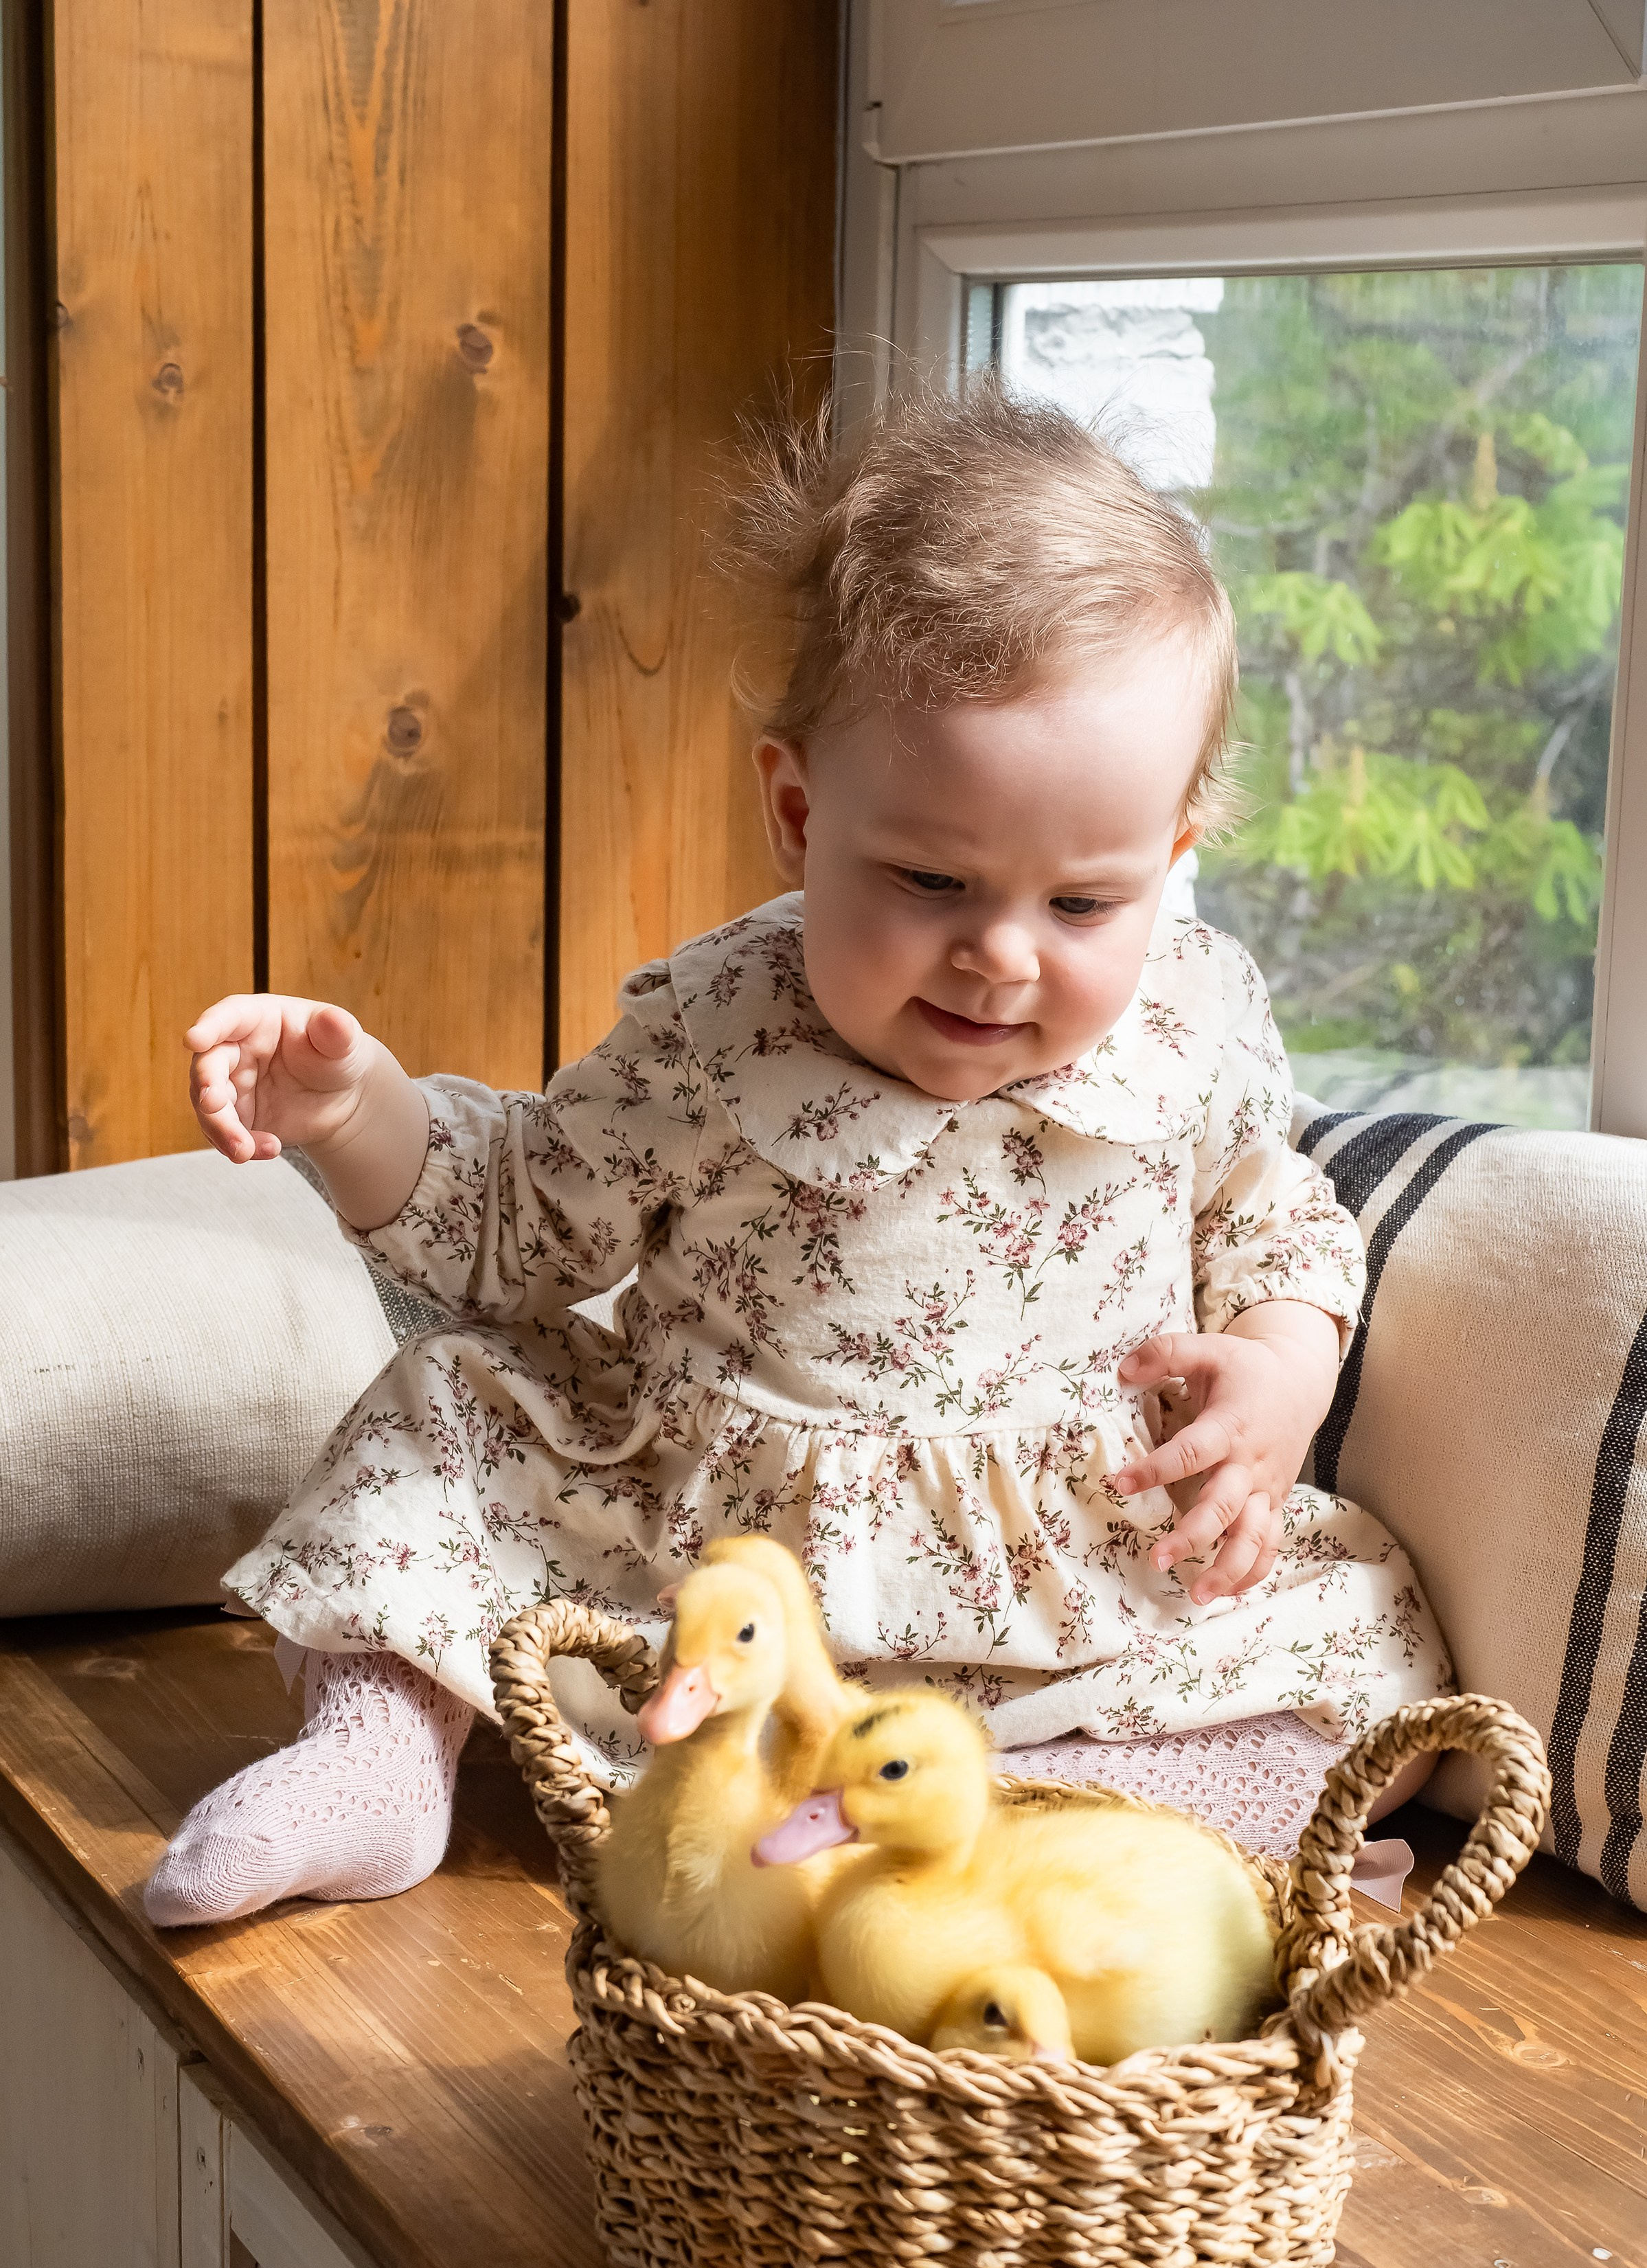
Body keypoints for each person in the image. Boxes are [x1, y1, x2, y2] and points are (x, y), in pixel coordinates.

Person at [144, 381, 1447, 1927]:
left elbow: (1276, 1215)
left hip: (1078, 1604)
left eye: (1081, 904)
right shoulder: (718, 1030)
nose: (1000, 958)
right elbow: (508, 1234)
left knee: (1371, 1654)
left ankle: (1112, 1821)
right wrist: (353, 1103)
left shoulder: (1196, 1016)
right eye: (930, 879)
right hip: (712, 1583)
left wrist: (1283, 1374)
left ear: (1169, 856)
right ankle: (379, 1757)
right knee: (444, 1413)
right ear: (794, 809)